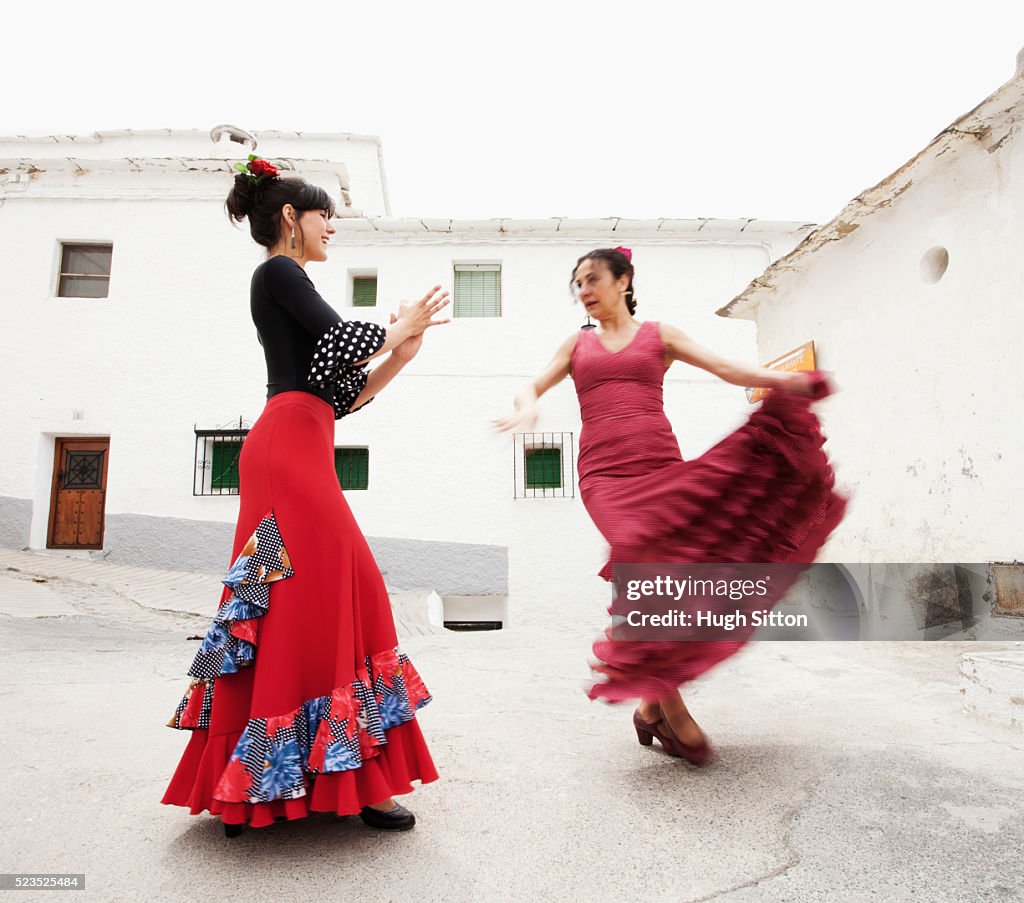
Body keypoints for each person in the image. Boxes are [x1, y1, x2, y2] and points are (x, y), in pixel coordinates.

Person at [162, 155, 448, 835]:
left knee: (304, 601)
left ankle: (278, 777)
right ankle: (317, 778)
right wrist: (394, 330)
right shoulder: (278, 271)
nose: (332, 229)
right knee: (333, 596)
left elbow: (340, 390)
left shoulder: (286, 284)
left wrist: (399, 355)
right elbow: (339, 337)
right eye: (326, 216)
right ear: (292, 217)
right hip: (287, 452)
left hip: (298, 442)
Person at [497, 246, 845, 765]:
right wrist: (527, 409)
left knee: (666, 577)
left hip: (660, 465)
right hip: (603, 477)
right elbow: (534, 383)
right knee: (640, 557)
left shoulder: (661, 335)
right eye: (578, 284)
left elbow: (727, 368)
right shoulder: (578, 344)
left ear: (624, 280)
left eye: (593, 279)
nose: (585, 290)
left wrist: (787, 382)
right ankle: (671, 711)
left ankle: (652, 708)